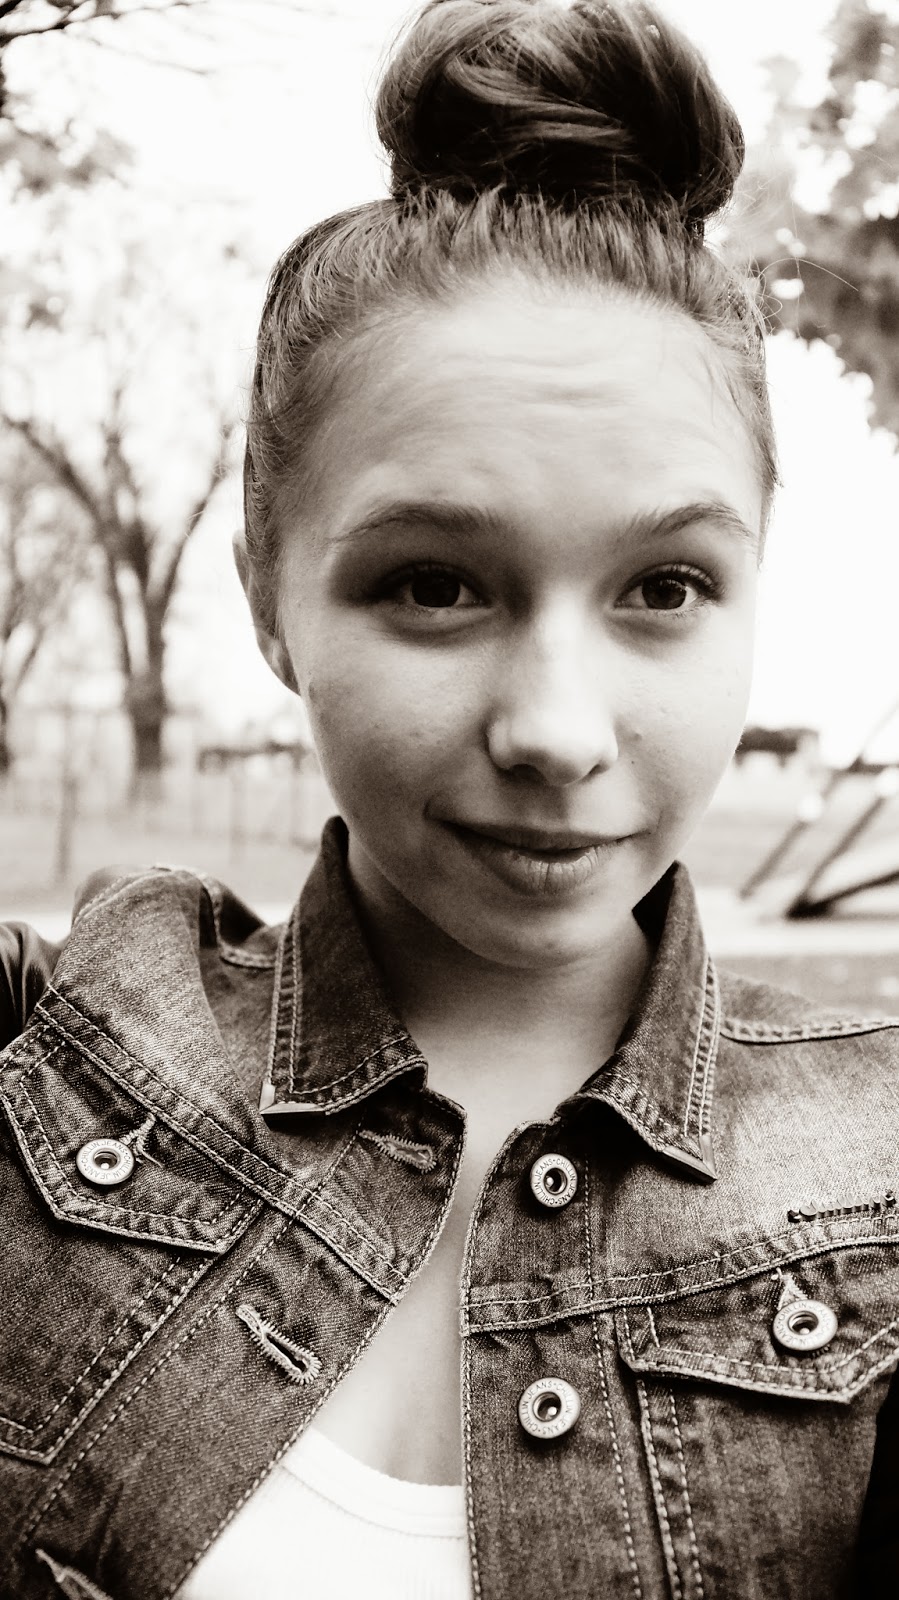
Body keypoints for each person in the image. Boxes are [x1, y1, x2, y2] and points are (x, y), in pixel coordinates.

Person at [0, 0, 897, 1595]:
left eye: (665, 587)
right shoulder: (50, 1069)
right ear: (268, 596)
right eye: (433, 584)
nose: (556, 731)